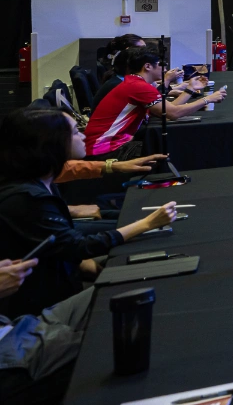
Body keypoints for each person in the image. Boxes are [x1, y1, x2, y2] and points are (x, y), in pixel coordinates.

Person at [0, 108, 178, 315]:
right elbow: (79, 247)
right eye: (76, 132)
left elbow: (64, 247)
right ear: (52, 143)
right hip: (44, 307)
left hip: (62, 279)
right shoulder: (28, 198)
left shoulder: (41, 181)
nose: (83, 135)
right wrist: (146, 224)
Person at [83, 47, 226, 157]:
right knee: (172, 150)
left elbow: (168, 109)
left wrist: (190, 89)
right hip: (103, 149)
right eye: (161, 64)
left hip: (104, 146)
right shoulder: (138, 86)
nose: (165, 69)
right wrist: (207, 99)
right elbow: (173, 114)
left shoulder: (135, 83)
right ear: (147, 66)